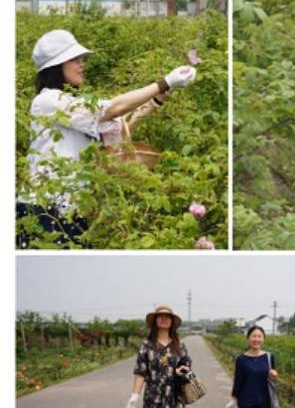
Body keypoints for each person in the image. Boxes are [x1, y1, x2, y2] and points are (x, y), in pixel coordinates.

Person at [17, 28, 196, 247]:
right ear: (56, 66)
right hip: (44, 209)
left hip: (70, 209)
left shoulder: (73, 104)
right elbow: (114, 108)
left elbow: (115, 137)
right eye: (75, 59)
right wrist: (163, 83)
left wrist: (153, 103)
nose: (82, 64)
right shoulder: (48, 101)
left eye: (82, 59)